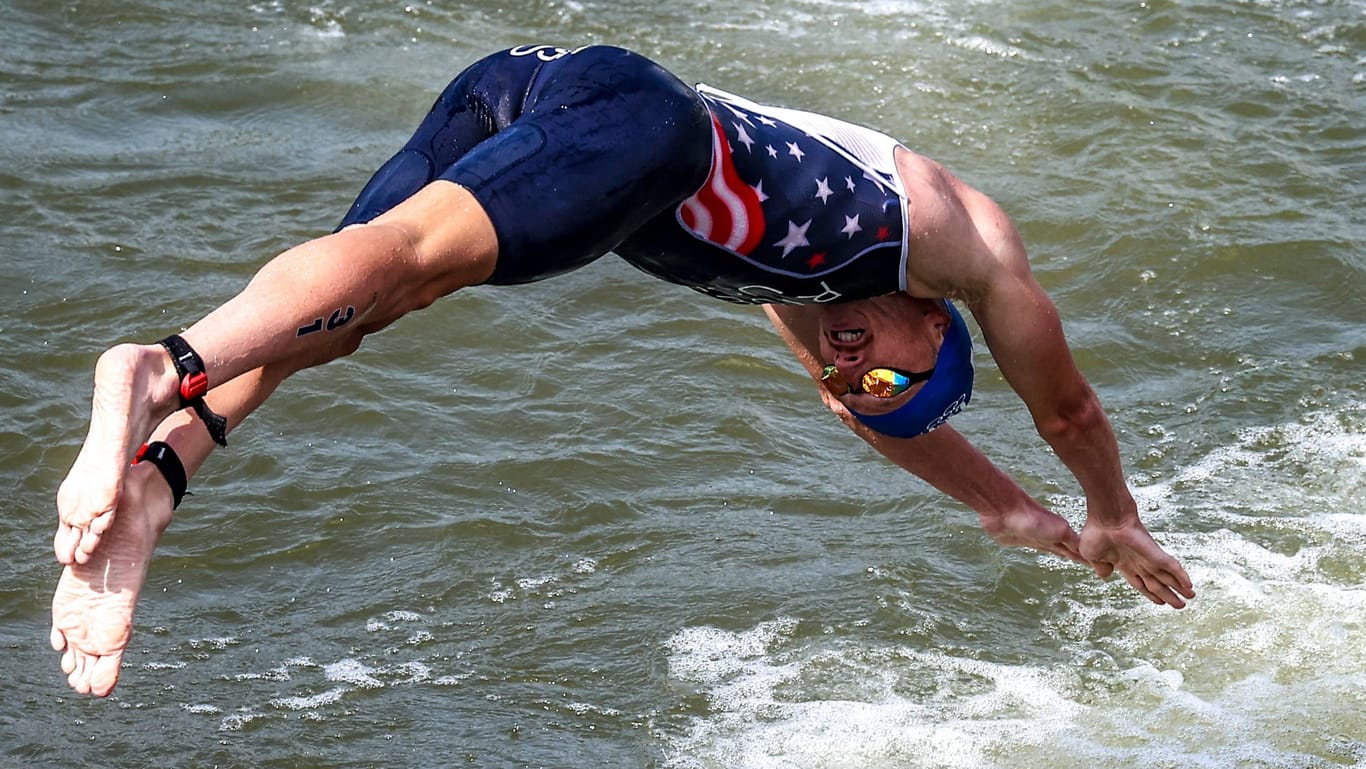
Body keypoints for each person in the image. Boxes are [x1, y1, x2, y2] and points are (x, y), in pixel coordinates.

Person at [50, 44, 1194, 697]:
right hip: (638, 124)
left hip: (524, 88)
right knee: (404, 268)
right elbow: (1071, 403)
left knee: (339, 315)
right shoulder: (962, 248)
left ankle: (158, 477)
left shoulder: (807, 314)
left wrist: (1010, 513)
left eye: (857, 391)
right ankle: (161, 361)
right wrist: (1108, 513)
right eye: (888, 374)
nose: (852, 374)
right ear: (942, 330)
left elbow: (878, 426)